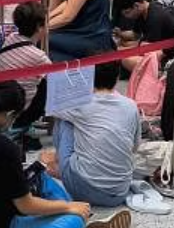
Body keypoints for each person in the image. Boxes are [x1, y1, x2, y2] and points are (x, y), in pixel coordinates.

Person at [0, 81, 127, 228]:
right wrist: (67, 206)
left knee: (40, 175)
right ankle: (78, 217)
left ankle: (75, 211)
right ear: (9, 113)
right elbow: (26, 206)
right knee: (73, 224)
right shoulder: (4, 147)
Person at [41, 58, 140, 208]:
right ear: (118, 77)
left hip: (82, 190)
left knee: (65, 120)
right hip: (119, 193)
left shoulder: (81, 103)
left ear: (88, 76)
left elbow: (52, 107)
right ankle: (66, 165)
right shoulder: (131, 105)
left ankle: (58, 164)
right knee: (77, 120)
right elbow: (135, 147)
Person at [0, 2, 52, 129]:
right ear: (39, 27)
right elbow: (55, 81)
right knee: (47, 86)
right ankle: (23, 125)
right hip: (18, 109)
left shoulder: (11, 38)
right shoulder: (39, 57)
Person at [112, 0, 174, 71]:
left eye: (127, 13)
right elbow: (135, 34)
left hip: (169, 58)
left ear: (136, 6)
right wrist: (120, 34)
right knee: (122, 47)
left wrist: (120, 50)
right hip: (154, 50)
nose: (126, 17)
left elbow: (146, 48)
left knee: (126, 59)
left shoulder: (155, 17)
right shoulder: (142, 13)